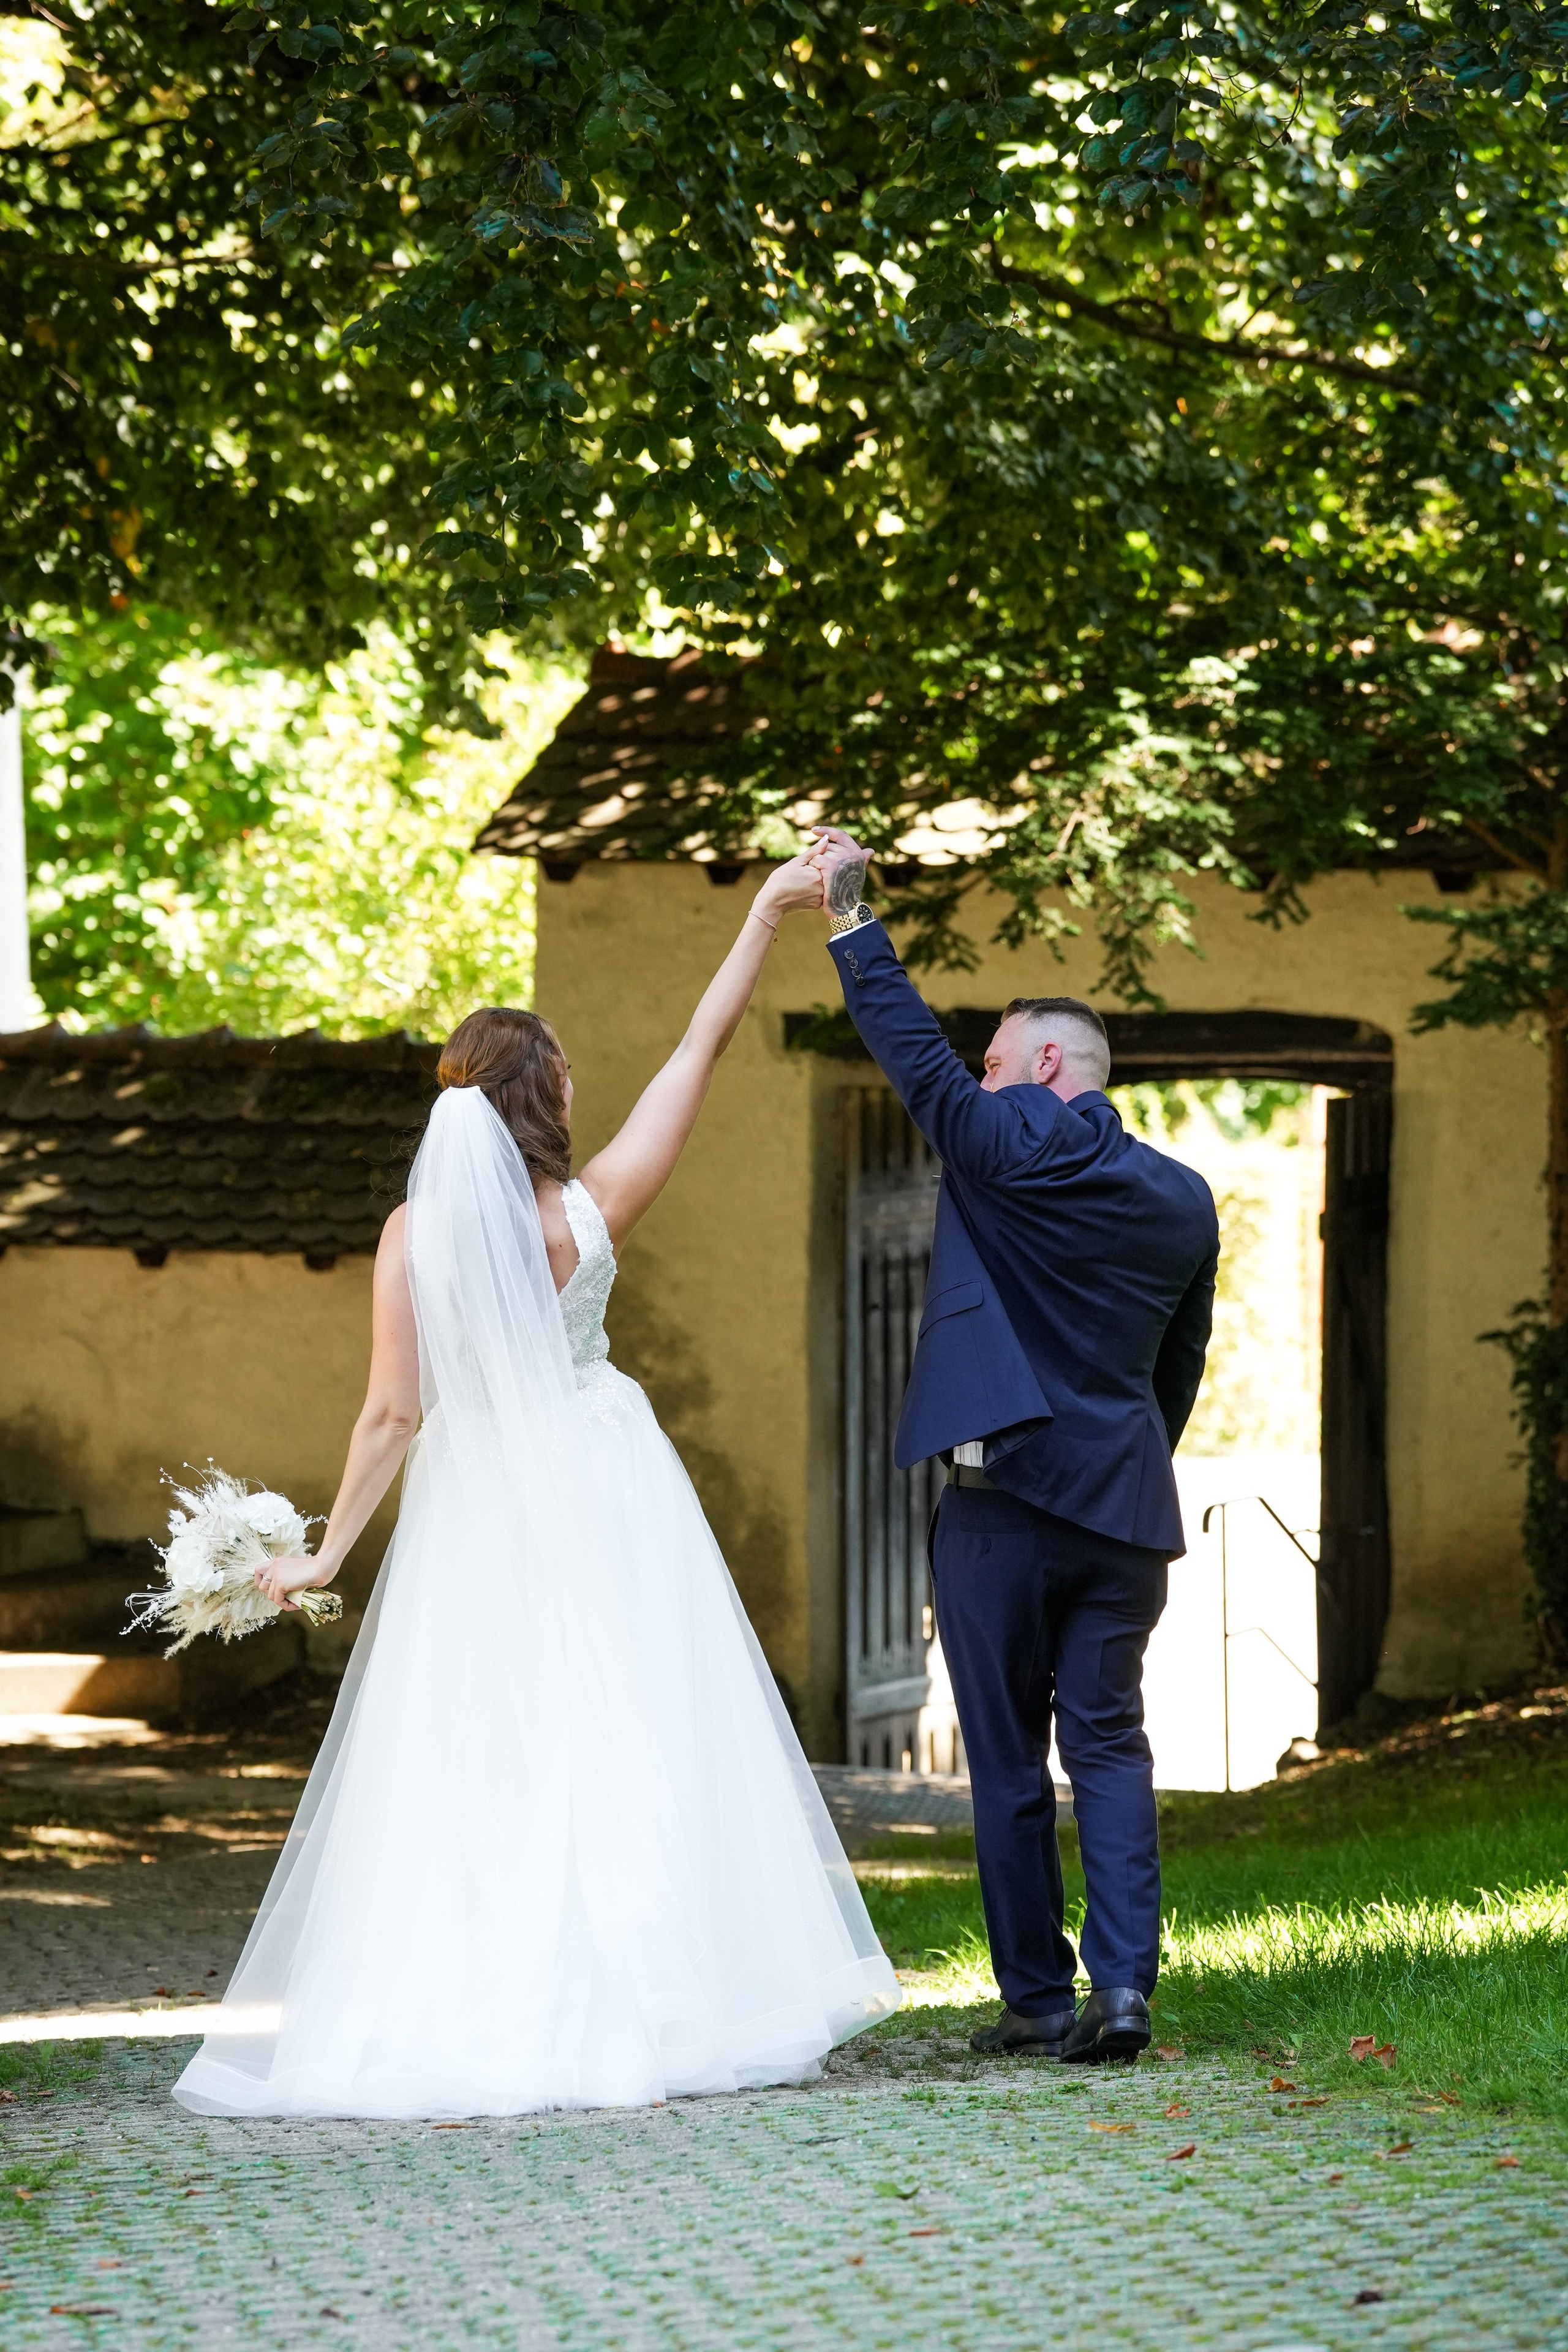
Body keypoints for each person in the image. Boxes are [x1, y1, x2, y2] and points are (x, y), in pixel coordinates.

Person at [173, 850, 899, 2120]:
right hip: (605, 1475)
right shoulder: (595, 1207)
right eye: (562, 1065)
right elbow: (699, 1050)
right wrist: (757, 919)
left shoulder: (412, 1236)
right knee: (630, 1730)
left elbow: (394, 1411)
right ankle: (651, 1993)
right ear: (545, 1092)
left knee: (477, 1745)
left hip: (477, 1506)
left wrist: (329, 1554)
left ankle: (471, 1997)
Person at [806, 825, 1219, 2063]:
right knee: (1109, 1745)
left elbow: (913, 1063)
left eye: (992, 1064)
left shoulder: (1004, 1139)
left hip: (997, 1513)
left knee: (1003, 1764)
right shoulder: (1183, 1196)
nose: (974, 1084)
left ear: (1043, 1064)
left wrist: (847, 918)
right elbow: (1178, 1366)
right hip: (1121, 1508)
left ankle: (1038, 2000)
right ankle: (1125, 1994)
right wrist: (1126, 1461)